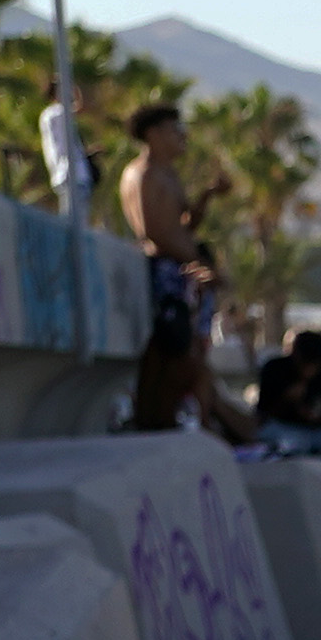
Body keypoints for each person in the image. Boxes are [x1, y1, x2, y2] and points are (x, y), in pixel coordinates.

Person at [119, 93, 224, 439]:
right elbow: (153, 231)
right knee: (172, 349)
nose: (182, 136)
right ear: (154, 134)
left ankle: (180, 418)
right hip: (169, 269)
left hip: (183, 268)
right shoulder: (144, 174)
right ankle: (154, 419)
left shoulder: (169, 175)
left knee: (191, 350)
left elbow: (183, 226)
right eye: (174, 129)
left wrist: (208, 195)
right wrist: (192, 263)